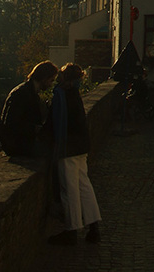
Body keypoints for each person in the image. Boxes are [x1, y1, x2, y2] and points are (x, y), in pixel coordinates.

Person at [47, 63, 101, 246]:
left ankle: (72, 229)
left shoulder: (61, 94)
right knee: (84, 185)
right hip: (82, 145)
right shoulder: (75, 94)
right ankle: (93, 227)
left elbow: (57, 122)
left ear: (65, 77)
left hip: (68, 147)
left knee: (69, 189)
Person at [0, 60, 58, 157]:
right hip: (18, 145)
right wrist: (36, 128)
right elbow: (12, 123)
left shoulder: (28, 91)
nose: (51, 84)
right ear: (44, 78)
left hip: (20, 143)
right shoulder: (23, 93)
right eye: (51, 80)